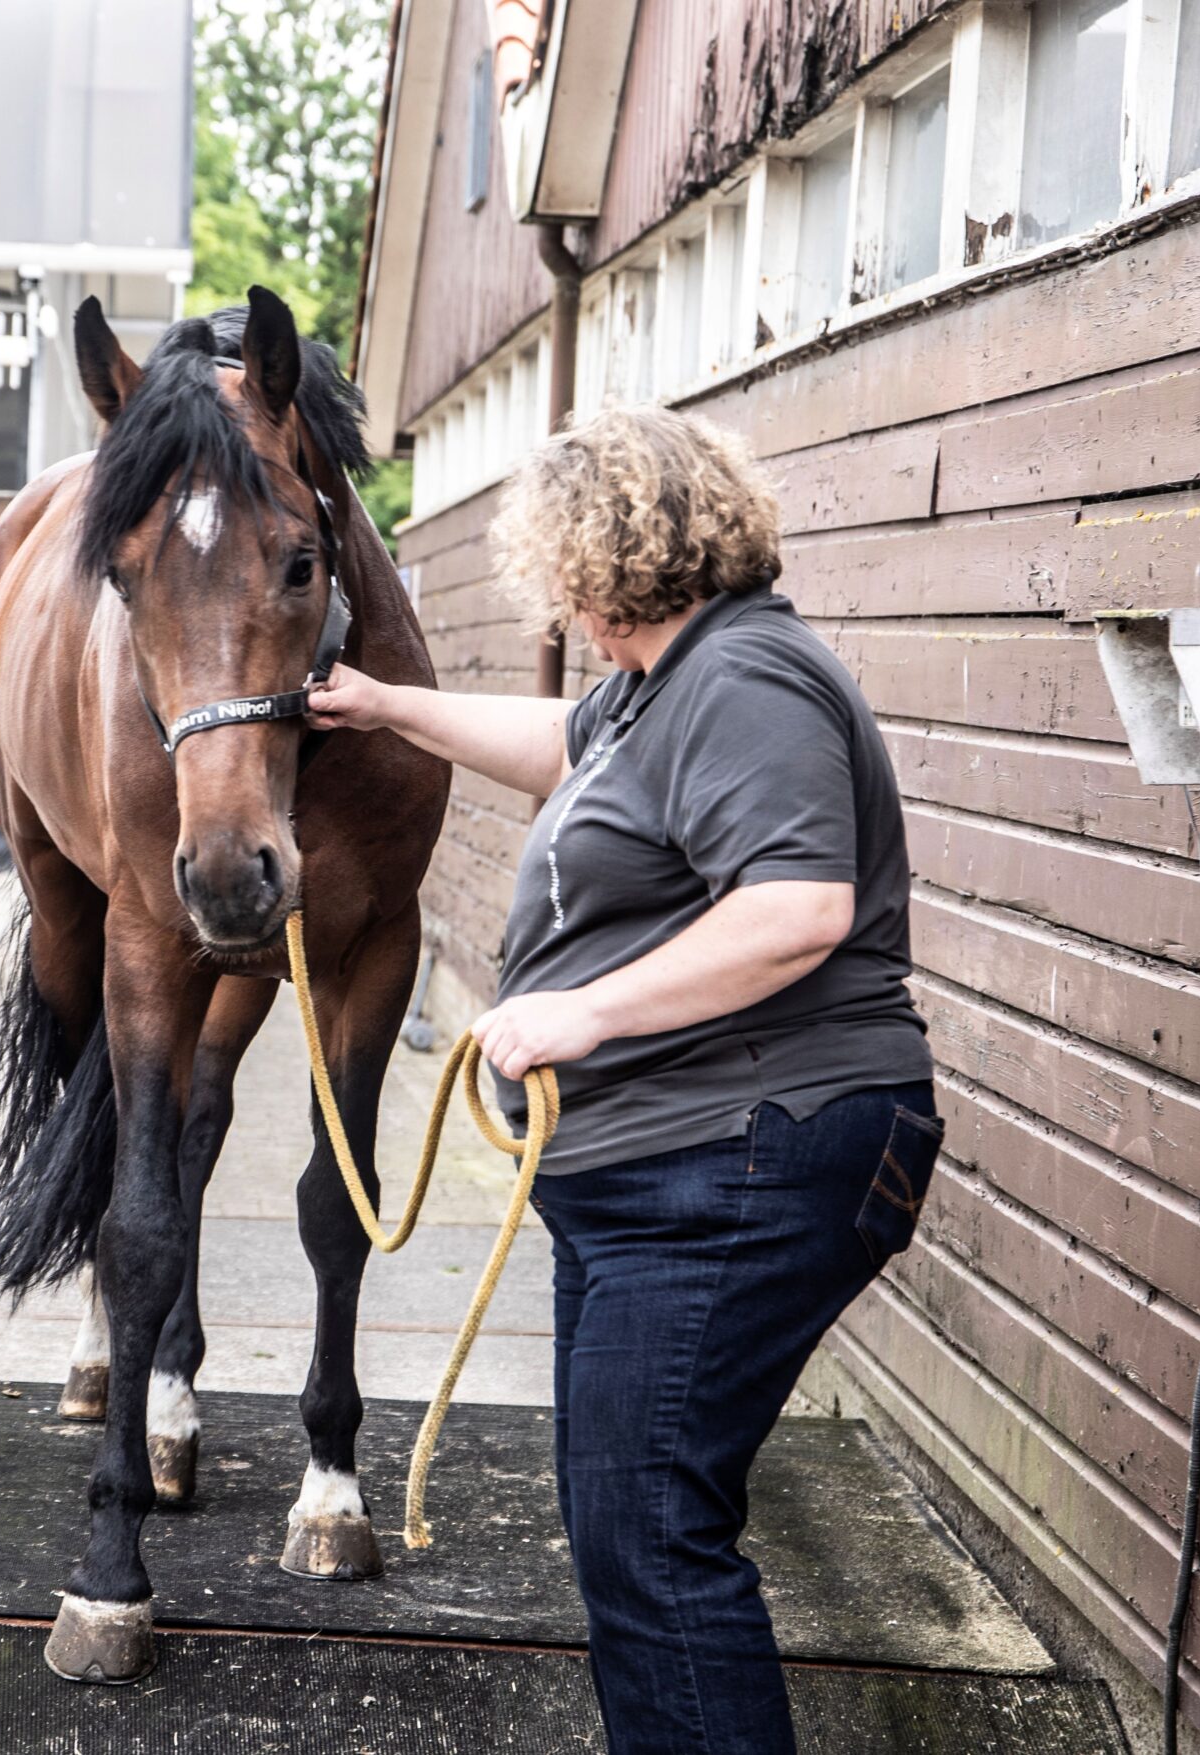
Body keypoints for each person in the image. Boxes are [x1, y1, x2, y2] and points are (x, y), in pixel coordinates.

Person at [306, 405, 939, 1753]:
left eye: (566, 576)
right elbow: (557, 744)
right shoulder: (661, 685)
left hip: (742, 1151)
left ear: (607, 559)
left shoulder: (745, 678)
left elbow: (798, 910)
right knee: (626, 1528)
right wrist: (382, 703)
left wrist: (580, 1012)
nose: (566, 607)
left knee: (650, 1534)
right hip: (660, 1169)